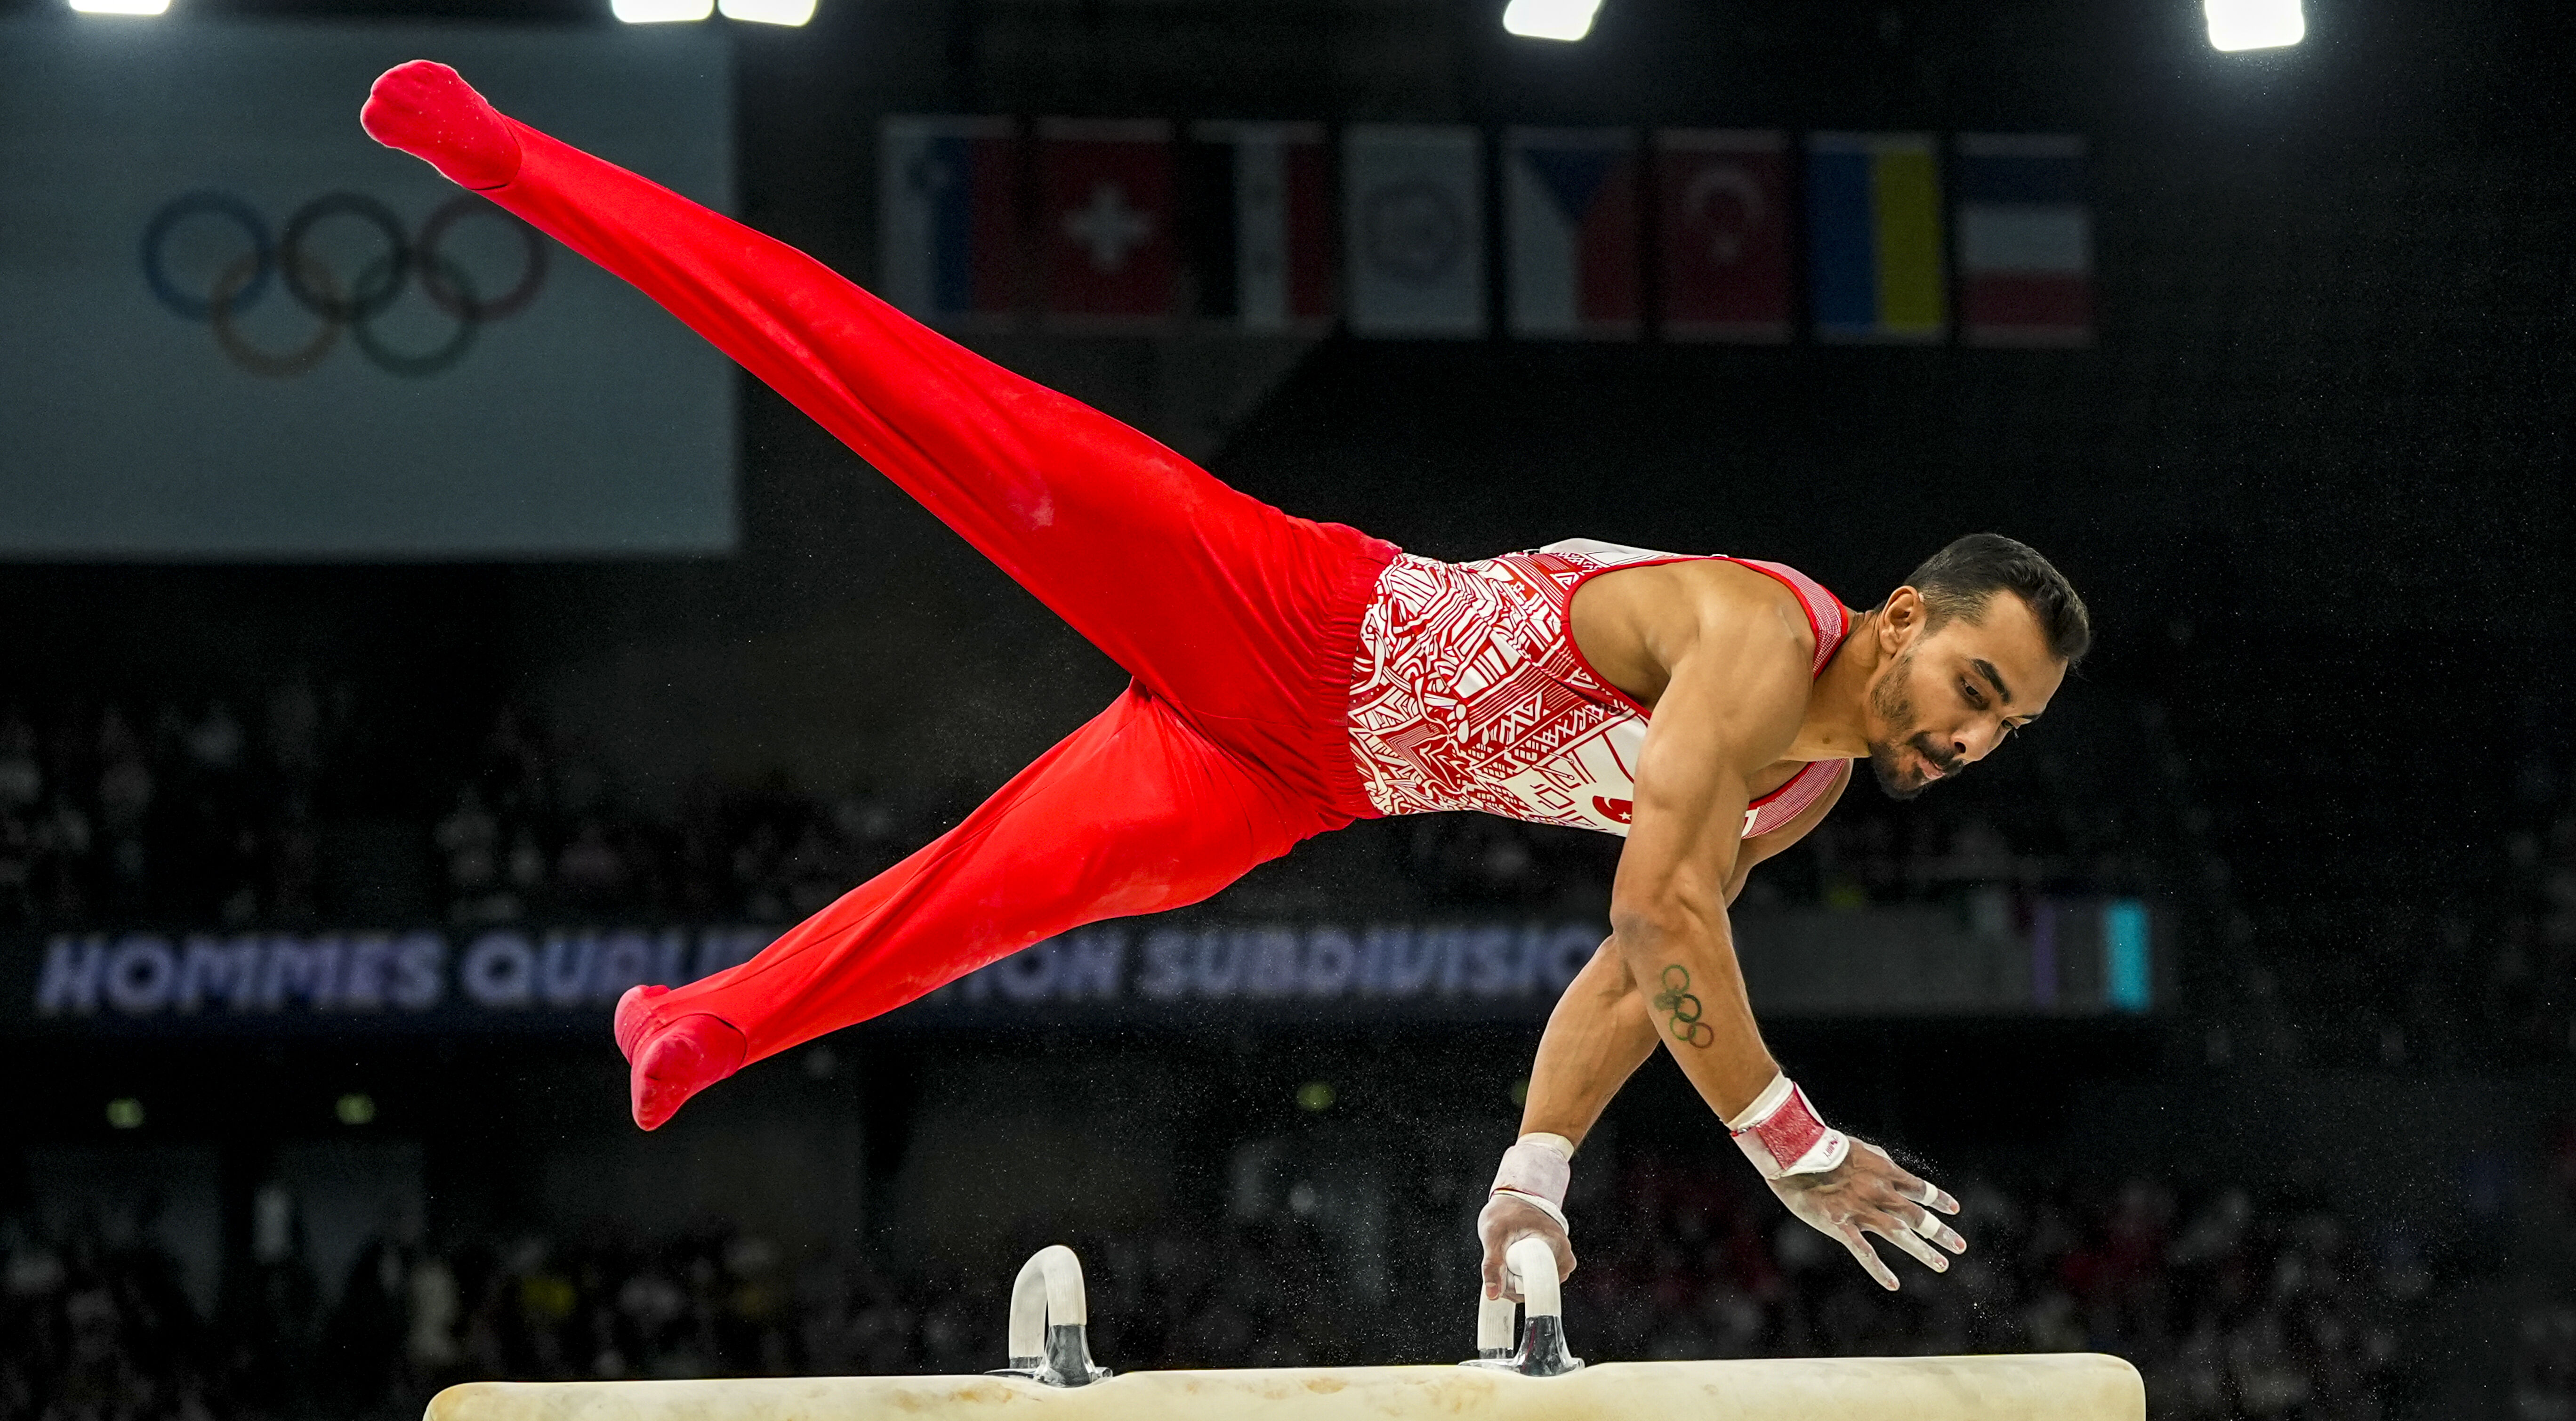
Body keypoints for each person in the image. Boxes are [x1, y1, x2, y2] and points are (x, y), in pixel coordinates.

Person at [359, 61, 2088, 1298]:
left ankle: (702, 1020)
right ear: (1899, 615)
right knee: (908, 391)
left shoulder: (1807, 785)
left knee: (980, 903)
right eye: (1977, 679)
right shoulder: (1754, 635)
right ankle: (510, 160)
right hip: (1283, 607)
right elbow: (1659, 913)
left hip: (1295, 785)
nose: (1975, 732)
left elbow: (1641, 978)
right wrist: (1796, 1145)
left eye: (2006, 722)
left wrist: (1535, 1176)